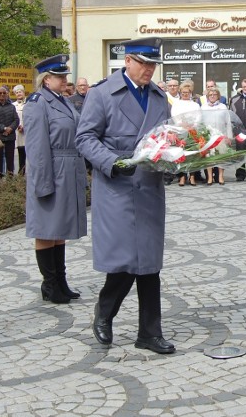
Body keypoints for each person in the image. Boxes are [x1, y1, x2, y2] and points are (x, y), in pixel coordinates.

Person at [76, 36, 175, 353]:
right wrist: (110, 162)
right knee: (123, 261)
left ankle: (149, 332)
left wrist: (177, 159)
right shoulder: (102, 94)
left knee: (148, 263)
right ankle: (105, 313)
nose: (149, 70)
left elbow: (167, 138)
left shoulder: (159, 98)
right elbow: (85, 138)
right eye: (144, 63)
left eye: (153, 64)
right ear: (127, 60)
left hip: (148, 187)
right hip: (117, 187)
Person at [23, 55, 88, 304]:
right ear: (46, 79)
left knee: (59, 229)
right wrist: (42, 183)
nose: (64, 80)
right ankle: (49, 284)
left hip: (68, 169)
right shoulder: (38, 103)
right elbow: (37, 148)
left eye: (65, 76)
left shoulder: (63, 101)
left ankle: (60, 280)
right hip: (51, 170)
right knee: (46, 229)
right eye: (60, 76)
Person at [171, 82, 201, 186]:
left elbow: (199, 117)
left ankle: (192, 176)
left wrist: (193, 125)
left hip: (192, 131)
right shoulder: (176, 104)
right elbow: (174, 116)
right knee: (181, 155)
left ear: (190, 93)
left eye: (187, 92)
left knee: (192, 154)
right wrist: (182, 124)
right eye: (183, 92)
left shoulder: (195, 105)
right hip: (180, 131)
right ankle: (182, 176)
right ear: (180, 92)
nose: (185, 94)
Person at [200, 87, 231, 185]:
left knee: (221, 155)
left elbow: (228, 122)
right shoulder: (203, 107)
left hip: (221, 135)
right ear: (207, 96)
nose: (212, 96)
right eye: (210, 95)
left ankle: (221, 176)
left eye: (214, 94)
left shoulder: (223, 107)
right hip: (208, 135)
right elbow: (200, 122)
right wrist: (201, 136)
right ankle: (210, 177)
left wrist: (229, 136)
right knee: (209, 157)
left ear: (218, 96)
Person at [0, 86, 19, 180]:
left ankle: (10, 179)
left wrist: (10, 128)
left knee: (10, 160)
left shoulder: (12, 106)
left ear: (7, 94)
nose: (2, 95)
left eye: (4, 93)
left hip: (10, 136)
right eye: (0, 93)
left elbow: (16, 120)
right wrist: (4, 128)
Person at [12, 84, 27, 174]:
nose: (19, 94)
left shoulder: (28, 104)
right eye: (17, 92)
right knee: (17, 152)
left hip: (26, 132)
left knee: (25, 152)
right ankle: (17, 172)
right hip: (16, 131)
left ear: (24, 92)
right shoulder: (13, 105)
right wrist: (17, 126)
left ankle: (24, 171)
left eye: (20, 91)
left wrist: (24, 126)